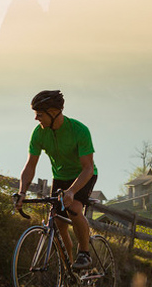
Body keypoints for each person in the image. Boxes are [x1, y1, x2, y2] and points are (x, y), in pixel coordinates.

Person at [15, 90, 97, 270]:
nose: (36, 118)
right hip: (60, 177)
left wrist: (72, 191)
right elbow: (30, 166)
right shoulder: (39, 133)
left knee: (74, 208)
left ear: (53, 112)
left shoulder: (79, 131)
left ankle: (84, 253)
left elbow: (88, 168)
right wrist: (22, 192)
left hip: (82, 175)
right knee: (58, 222)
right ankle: (69, 269)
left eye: (40, 114)